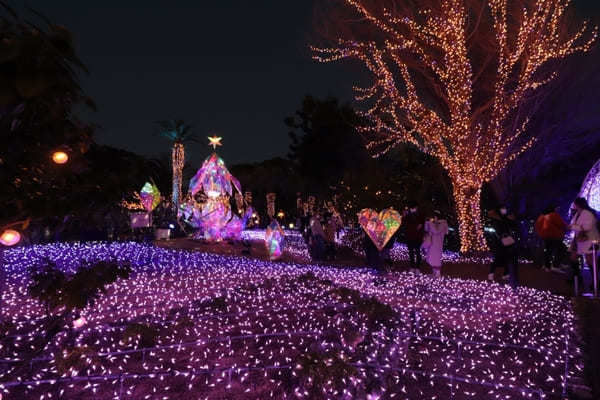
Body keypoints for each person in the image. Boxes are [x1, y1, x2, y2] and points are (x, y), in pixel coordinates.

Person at [568, 197, 599, 289]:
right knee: (573, 258)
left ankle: (595, 281)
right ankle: (577, 277)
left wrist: (574, 227)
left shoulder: (588, 214)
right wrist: (575, 227)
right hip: (579, 239)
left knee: (590, 261)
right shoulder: (578, 213)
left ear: (578, 204)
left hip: (589, 240)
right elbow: (573, 224)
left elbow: (586, 227)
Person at [487, 207, 519, 289]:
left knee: (508, 257)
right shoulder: (496, 219)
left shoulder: (505, 218)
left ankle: (505, 274)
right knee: (498, 257)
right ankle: (491, 273)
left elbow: (512, 225)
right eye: (502, 208)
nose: (504, 210)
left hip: (507, 240)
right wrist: (501, 235)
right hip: (499, 241)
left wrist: (512, 220)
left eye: (505, 208)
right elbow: (497, 229)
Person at [534, 205, 567, 272]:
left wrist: (541, 234)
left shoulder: (541, 216)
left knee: (548, 251)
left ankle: (547, 266)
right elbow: (561, 224)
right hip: (554, 236)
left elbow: (537, 226)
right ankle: (556, 265)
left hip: (545, 236)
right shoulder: (553, 215)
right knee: (562, 249)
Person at [424, 211, 449, 278]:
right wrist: (427, 223)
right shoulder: (435, 223)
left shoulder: (442, 223)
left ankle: (438, 273)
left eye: (434, 217)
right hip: (432, 243)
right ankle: (434, 272)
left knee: (436, 258)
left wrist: (430, 223)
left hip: (437, 243)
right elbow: (426, 229)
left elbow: (436, 231)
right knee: (431, 258)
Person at [403, 203, 425, 274]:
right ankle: (412, 267)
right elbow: (404, 224)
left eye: (414, 208)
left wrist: (419, 227)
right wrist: (404, 216)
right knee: (411, 252)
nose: (413, 209)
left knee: (417, 252)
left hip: (417, 237)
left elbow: (421, 225)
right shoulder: (407, 215)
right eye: (412, 208)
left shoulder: (420, 215)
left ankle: (417, 267)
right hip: (410, 237)